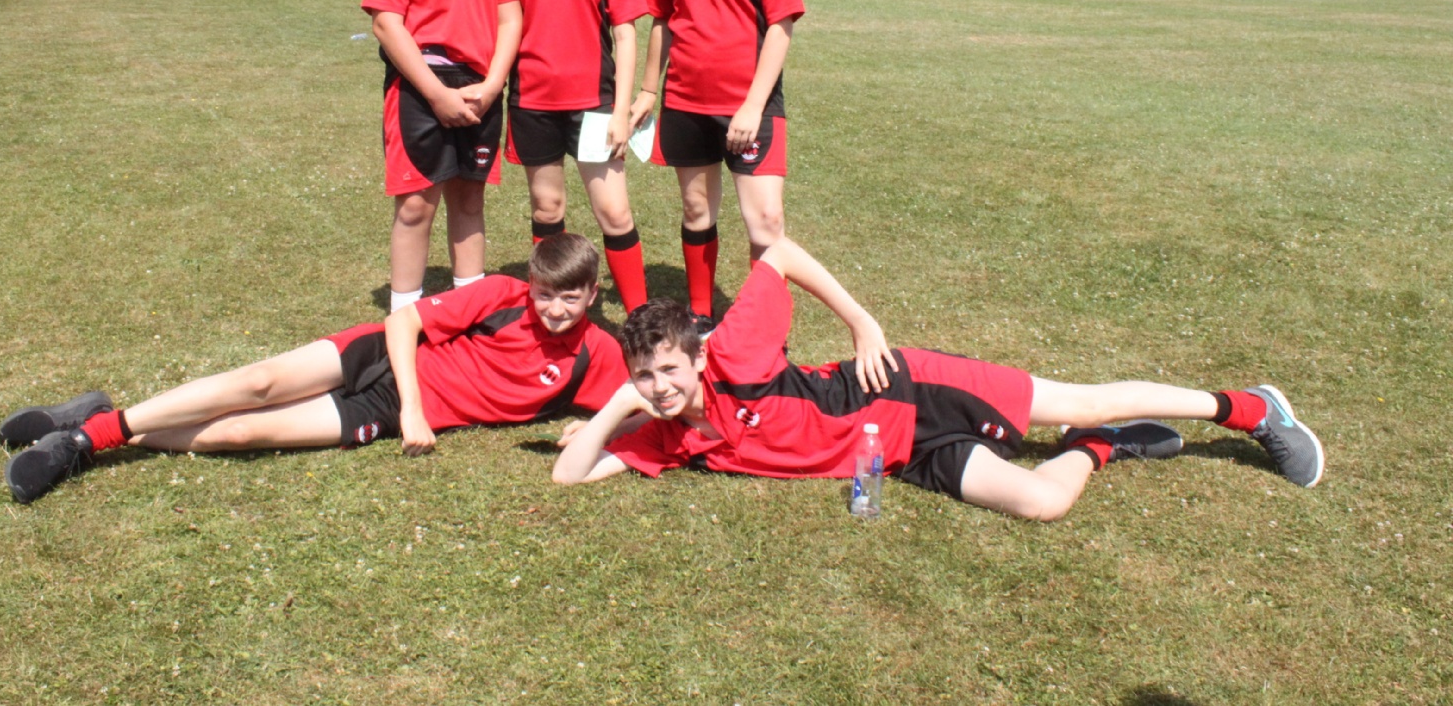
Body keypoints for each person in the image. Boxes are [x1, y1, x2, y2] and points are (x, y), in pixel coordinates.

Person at [553, 237, 1326, 522]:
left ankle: (1248, 408)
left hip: (911, 387)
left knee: (1080, 398)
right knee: (1042, 502)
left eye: (669, 370)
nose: (660, 387)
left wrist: (862, 324)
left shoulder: (736, 355)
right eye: (646, 378)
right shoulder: (671, 439)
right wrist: (619, 405)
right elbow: (569, 475)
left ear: (696, 357)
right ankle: (1101, 447)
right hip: (896, 457)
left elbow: (779, 254)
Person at [0, 234, 629, 503]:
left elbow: (648, 403)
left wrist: (596, 425)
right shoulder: (500, 294)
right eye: (545, 295)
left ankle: (97, 421)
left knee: (241, 432)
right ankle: (85, 440)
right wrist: (416, 409)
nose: (554, 309)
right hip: (382, 358)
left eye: (570, 298)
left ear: (594, 293)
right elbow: (403, 323)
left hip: (381, 411)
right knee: (258, 385)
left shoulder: (596, 352)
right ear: (531, 285)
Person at [628, 0, 804, 329]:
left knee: (766, 220)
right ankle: (701, 315)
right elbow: (662, 19)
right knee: (696, 210)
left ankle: (763, 329)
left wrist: (752, 105)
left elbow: (781, 28)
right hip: (686, 102)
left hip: (749, 107)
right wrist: (648, 90)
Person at [360, 0, 521, 315]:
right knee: (415, 206)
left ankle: (466, 316)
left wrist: (492, 85)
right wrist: (436, 93)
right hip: (420, 85)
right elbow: (386, 24)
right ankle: (404, 322)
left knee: (469, 200)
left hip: (479, 87)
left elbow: (510, 17)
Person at [508, 0, 650, 314]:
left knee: (614, 212)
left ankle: (638, 318)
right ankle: (552, 308)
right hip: (532, 102)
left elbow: (625, 35)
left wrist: (621, 111)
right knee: (547, 210)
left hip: (594, 105)